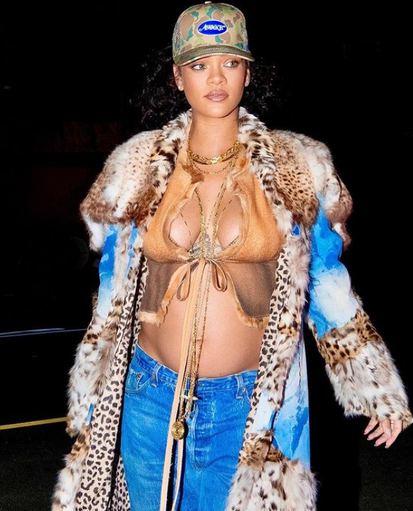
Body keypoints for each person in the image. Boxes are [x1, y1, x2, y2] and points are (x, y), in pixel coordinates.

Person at [51, 2, 412, 510]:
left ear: (248, 72)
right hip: (148, 395)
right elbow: (112, 287)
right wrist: (92, 388)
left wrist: (374, 385)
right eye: (199, 65)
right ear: (178, 77)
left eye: (230, 62)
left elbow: (325, 278)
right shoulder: (136, 165)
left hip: (248, 405)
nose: (216, 78)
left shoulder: (298, 164)